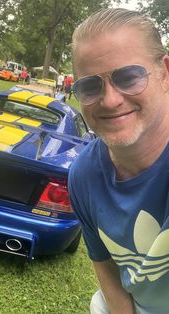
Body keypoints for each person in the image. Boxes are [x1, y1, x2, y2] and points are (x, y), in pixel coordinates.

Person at [68, 8, 169, 314]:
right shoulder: (83, 175)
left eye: (129, 76)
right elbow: (106, 267)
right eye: (90, 86)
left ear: (165, 74)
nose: (110, 100)